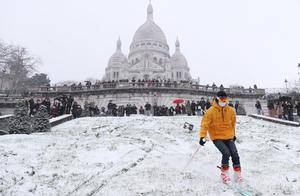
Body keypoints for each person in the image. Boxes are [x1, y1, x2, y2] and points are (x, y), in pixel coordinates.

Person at [199, 91, 242, 183]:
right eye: (222, 99)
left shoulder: (231, 110)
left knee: (234, 153)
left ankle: (238, 174)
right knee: (226, 153)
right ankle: (224, 174)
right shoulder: (210, 111)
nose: (224, 101)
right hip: (217, 136)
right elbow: (204, 124)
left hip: (229, 135)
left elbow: (233, 124)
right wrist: (202, 136)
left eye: (225, 100)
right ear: (217, 99)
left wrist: (233, 135)